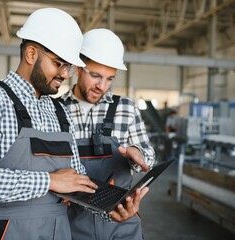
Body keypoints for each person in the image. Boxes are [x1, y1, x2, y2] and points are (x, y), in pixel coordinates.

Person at [0, 8, 98, 239]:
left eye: (68, 66)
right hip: (3, 231)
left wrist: (110, 206)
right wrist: (48, 181)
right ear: (31, 54)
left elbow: (74, 179)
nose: (65, 74)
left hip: (58, 231)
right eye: (59, 63)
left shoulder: (60, 111)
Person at [61, 28, 156, 240]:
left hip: (121, 220)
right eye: (95, 76)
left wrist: (137, 153)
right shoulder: (54, 110)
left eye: (109, 79)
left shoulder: (126, 108)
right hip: (71, 225)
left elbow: (148, 155)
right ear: (78, 67)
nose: (101, 86)